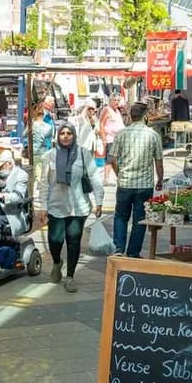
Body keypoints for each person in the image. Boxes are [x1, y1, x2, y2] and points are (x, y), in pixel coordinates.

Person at [38, 123, 103, 293]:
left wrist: (99, 201)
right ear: (57, 136)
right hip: (56, 206)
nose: (66, 136)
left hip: (78, 207)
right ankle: (57, 262)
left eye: (69, 133)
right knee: (55, 240)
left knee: (73, 241)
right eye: (62, 133)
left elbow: (94, 177)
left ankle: (70, 277)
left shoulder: (83, 154)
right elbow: (44, 183)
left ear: (74, 135)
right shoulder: (50, 156)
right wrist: (43, 206)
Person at [108, 102, 164, 258]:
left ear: (131, 116)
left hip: (124, 183)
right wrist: (160, 179)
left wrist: (119, 174)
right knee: (139, 220)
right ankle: (133, 252)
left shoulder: (121, 134)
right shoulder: (153, 135)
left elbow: (113, 160)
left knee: (121, 216)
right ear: (145, 116)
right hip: (144, 186)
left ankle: (119, 249)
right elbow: (158, 162)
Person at [99, 96, 126, 185]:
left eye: (118, 100)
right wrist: (103, 138)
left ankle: (119, 177)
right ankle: (106, 178)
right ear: (110, 101)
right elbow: (101, 124)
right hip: (110, 138)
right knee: (110, 159)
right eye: (115, 100)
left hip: (118, 139)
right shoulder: (107, 110)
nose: (117, 102)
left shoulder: (117, 111)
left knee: (115, 159)